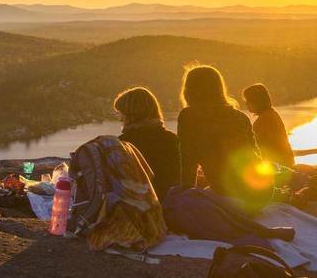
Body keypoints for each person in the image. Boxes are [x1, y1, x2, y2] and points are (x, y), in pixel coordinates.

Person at [176, 65, 273, 211]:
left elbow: (188, 162)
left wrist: (187, 198)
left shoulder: (189, 116)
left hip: (231, 196)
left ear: (189, 90)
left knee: (174, 199)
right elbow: (256, 156)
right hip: (263, 192)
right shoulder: (241, 117)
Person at [114, 87, 181, 202]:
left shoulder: (123, 145)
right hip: (172, 205)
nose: (120, 120)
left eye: (122, 114)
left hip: (138, 209)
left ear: (131, 115)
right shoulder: (172, 139)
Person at [242, 83, 295, 168]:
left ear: (255, 101)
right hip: (286, 163)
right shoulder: (273, 114)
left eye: (247, 101)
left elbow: (255, 147)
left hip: (276, 166)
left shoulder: (263, 120)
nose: (246, 104)